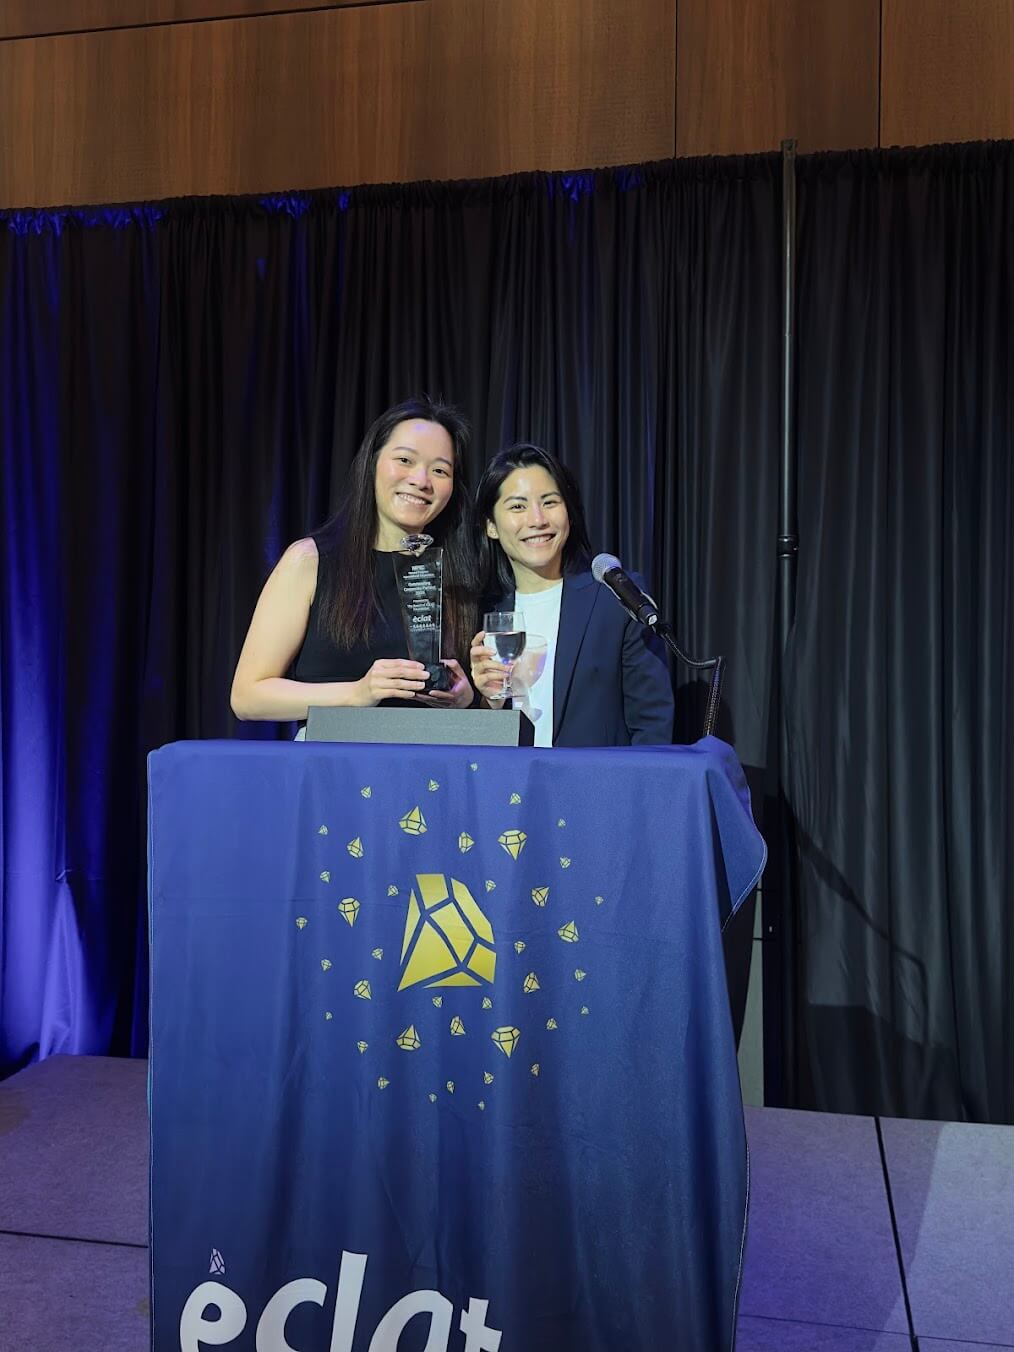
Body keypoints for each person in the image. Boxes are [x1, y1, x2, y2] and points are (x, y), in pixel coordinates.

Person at [231, 397, 476, 722]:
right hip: (334, 753)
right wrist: (358, 693)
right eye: (405, 460)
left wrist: (466, 699)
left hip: (430, 754)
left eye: (440, 470)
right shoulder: (310, 561)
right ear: (372, 463)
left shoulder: (459, 578)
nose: (421, 480)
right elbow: (247, 696)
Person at [469, 443, 673, 747]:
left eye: (550, 502)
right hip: (507, 777)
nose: (537, 519)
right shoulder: (477, 609)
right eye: (518, 507)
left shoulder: (615, 599)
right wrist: (490, 702)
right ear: (491, 526)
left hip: (597, 777)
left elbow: (652, 725)